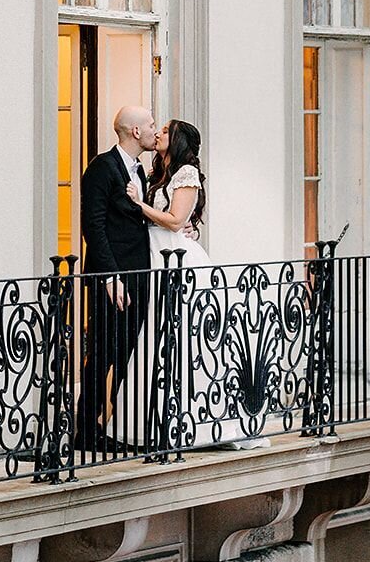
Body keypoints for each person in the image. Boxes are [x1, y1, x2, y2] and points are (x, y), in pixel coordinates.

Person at [123, 120, 269, 451]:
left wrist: (139, 204)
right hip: (154, 253)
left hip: (176, 257)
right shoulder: (158, 171)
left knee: (185, 336)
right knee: (153, 334)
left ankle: (194, 419)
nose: (157, 132)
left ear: (177, 140)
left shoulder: (186, 172)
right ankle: (154, 419)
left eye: (164, 129)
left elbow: (175, 220)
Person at [75, 105, 158, 453]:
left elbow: (139, 220)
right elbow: (93, 226)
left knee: (128, 354)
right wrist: (111, 278)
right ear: (136, 132)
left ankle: (124, 424)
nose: (156, 130)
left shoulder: (142, 171)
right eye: (152, 124)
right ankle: (85, 428)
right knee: (104, 351)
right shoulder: (101, 168)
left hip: (139, 277)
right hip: (113, 282)